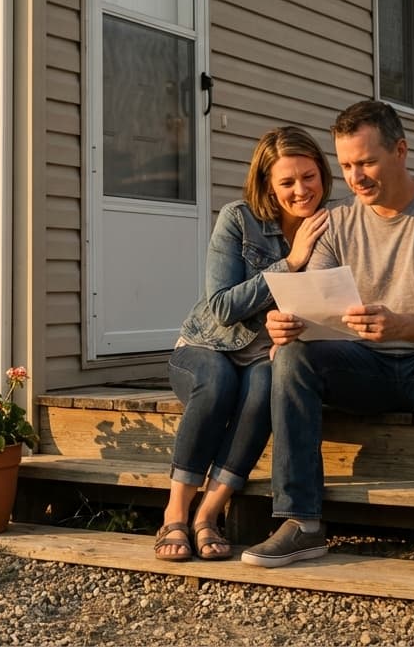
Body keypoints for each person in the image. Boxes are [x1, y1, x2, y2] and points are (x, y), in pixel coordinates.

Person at [239, 100, 414, 585]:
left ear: (400, 151)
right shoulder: (335, 224)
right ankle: (302, 521)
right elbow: (313, 313)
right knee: (292, 355)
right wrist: (286, 328)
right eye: (347, 165)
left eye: (367, 162)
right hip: (363, 368)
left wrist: (401, 325)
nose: (355, 176)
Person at [154, 126, 332, 562]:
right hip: (206, 346)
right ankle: (175, 511)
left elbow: (334, 303)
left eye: (308, 177)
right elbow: (220, 307)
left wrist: (298, 337)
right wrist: (289, 263)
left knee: (264, 389)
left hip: (265, 356)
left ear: (322, 174)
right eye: (287, 182)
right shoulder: (238, 218)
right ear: (268, 185)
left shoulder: (334, 224)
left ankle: (208, 515)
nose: (301, 190)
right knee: (217, 386)